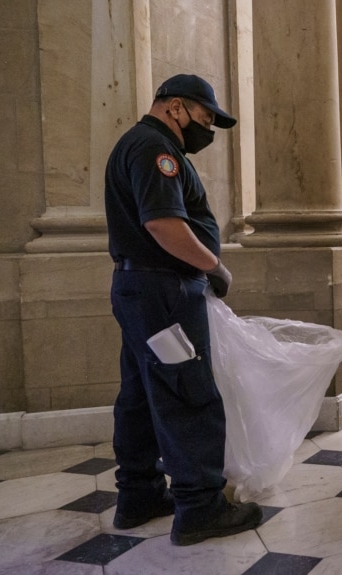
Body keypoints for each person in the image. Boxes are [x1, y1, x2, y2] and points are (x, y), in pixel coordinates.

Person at [104, 74, 262, 546]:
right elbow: (163, 224)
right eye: (205, 116)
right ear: (175, 107)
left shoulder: (138, 144)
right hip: (164, 292)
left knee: (139, 392)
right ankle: (200, 507)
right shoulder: (157, 150)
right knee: (187, 393)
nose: (209, 129)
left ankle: (139, 495)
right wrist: (214, 266)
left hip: (142, 290)